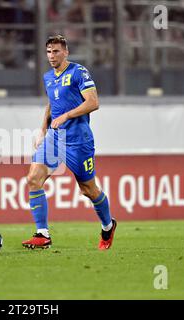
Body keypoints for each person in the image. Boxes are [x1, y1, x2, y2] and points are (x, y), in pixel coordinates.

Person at [22, 35, 117, 251]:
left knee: (88, 190)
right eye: (48, 52)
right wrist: (43, 129)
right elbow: (51, 103)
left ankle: (108, 225)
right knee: (33, 178)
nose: (51, 56)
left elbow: (93, 102)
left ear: (66, 52)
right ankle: (42, 235)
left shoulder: (78, 72)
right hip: (55, 138)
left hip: (78, 141)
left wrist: (66, 116)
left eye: (56, 51)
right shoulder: (48, 77)